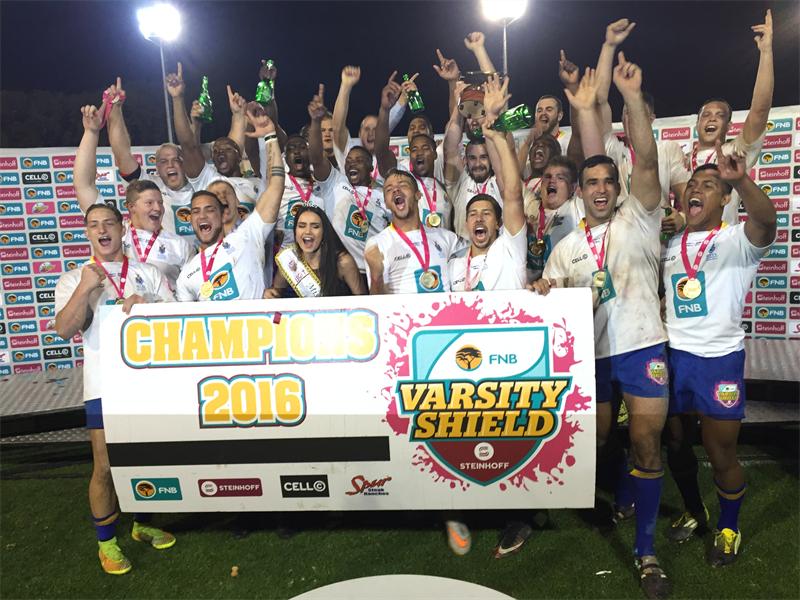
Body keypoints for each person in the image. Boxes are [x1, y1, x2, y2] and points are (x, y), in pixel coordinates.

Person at [535, 56, 671, 598]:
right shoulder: (565, 247)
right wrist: (543, 291)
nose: (598, 189)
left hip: (643, 348)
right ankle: (624, 495)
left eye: (606, 181)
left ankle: (647, 552)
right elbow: (550, 298)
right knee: (598, 439)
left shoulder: (640, 215)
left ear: (618, 187)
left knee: (646, 442)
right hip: (592, 358)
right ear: (580, 191)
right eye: (589, 182)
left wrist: (632, 98)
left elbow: (647, 161)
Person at [662, 155, 776, 566]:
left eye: (709, 186)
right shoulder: (671, 243)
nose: (696, 189)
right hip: (674, 357)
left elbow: (767, 220)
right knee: (676, 444)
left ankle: (729, 527)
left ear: (726, 199)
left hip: (718, 361)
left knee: (720, 451)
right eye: (692, 184)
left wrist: (741, 179)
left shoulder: (737, 240)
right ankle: (695, 510)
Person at [54, 202, 175, 575]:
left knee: (147, 456)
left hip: (145, 382)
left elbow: (174, 319)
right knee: (105, 464)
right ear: (87, 232)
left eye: (109, 223)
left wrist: (147, 305)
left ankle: (142, 523)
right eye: (94, 225)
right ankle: (106, 542)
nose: (102, 230)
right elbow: (64, 329)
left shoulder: (147, 273)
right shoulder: (73, 278)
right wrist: (85, 289)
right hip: (103, 385)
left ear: (123, 228)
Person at [74, 103, 194, 290]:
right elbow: (84, 185)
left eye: (160, 202)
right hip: (119, 307)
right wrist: (91, 133)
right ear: (131, 207)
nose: (158, 208)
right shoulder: (116, 233)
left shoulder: (180, 245)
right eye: (149, 203)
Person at [175, 111, 284, 301]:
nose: (202, 216)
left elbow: (275, 186)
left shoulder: (248, 235)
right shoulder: (186, 276)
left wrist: (270, 136)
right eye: (196, 211)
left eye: (210, 209)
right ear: (191, 219)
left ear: (224, 212)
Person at [593, 18, 690, 227]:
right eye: (626, 113)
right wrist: (609, 46)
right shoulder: (612, 148)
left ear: (651, 119)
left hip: (657, 235)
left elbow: (686, 195)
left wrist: (682, 218)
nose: (631, 118)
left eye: (637, 113)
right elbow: (599, 101)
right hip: (618, 234)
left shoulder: (667, 149)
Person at [687, 10, 773, 226]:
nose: (711, 119)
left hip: (722, 241)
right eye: (706, 115)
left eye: (719, 116)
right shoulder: (680, 159)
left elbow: (759, 111)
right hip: (684, 241)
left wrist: (766, 53)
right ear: (697, 124)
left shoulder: (735, 153)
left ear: (729, 126)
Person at [307, 84, 390, 277]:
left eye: (359, 161)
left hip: (372, 274)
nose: (352, 163)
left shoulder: (383, 193)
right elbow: (317, 159)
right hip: (336, 271)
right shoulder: (336, 183)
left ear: (370, 167)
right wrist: (315, 122)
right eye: (349, 161)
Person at [104, 77, 195, 238]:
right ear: (157, 168)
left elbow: (190, 142)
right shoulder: (150, 185)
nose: (171, 165)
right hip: (161, 253)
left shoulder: (200, 184)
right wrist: (116, 109)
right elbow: (122, 154)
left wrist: (178, 98)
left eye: (176, 159)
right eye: (163, 161)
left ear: (184, 163)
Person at [166, 63, 264, 207]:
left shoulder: (257, 183)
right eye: (216, 152)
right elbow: (188, 146)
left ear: (239, 156)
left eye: (226, 150)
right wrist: (177, 98)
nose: (220, 154)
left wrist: (238, 114)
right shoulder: (208, 179)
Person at [375, 73, 454, 232]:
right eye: (412, 128)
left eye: (422, 128)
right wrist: (386, 109)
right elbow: (381, 150)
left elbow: (454, 127)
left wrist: (452, 83)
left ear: (434, 149)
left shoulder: (441, 162)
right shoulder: (402, 172)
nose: (417, 131)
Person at [443, 81, 503, 240]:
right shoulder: (460, 182)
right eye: (472, 158)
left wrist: (490, 113)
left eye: (483, 157)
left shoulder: (499, 183)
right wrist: (458, 106)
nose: (478, 164)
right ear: (465, 160)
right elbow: (450, 149)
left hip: (496, 251)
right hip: (465, 252)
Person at [265, 205, 366, 298]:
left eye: (315, 226)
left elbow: (363, 302)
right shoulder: (289, 259)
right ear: (295, 232)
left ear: (324, 232)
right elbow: (277, 294)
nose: (307, 231)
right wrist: (270, 294)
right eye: (302, 226)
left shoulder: (343, 262)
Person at [331, 65, 408, 183]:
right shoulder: (350, 155)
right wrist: (345, 86)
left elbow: (387, 123)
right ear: (359, 134)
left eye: (375, 129)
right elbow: (337, 127)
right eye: (366, 129)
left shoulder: (385, 160)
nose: (371, 133)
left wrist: (404, 96)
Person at [525, 156, 584, 283]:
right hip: (529, 290)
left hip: (562, 288)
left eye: (560, 178)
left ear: (573, 188)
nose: (552, 181)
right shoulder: (530, 206)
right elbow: (507, 182)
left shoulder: (577, 206)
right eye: (547, 176)